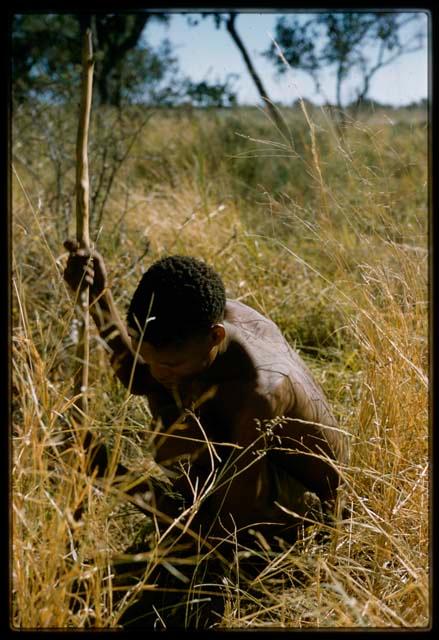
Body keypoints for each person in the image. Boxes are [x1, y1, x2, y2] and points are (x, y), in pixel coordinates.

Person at [63, 239, 348, 628]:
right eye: (146, 354)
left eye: (171, 363)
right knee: (173, 408)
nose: (157, 372)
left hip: (297, 501)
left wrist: (116, 477)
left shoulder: (258, 395)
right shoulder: (203, 325)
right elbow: (140, 375)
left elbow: (220, 535)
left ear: (215, 336)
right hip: (243, 462)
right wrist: (97, 297)